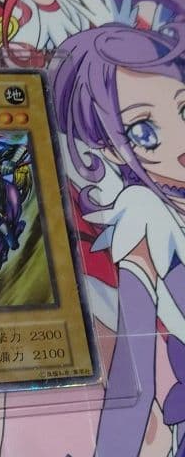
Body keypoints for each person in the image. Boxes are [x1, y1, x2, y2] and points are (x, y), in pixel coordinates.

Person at [53, 22, 185, 456]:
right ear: (110, 148)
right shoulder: (146, 219)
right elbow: (133, 376)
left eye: (184, 110)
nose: (180, 141)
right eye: (145, 131)